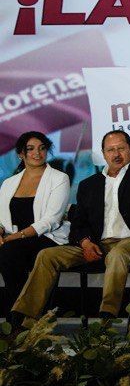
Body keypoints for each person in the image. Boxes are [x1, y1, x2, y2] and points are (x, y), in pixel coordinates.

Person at [9, 122, 130, 325]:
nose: (116, 154)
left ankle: (107, 317)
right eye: (110, 150)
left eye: (121, 148)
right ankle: (23, 316)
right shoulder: (89, 185)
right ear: (103, 154)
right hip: (97, 243)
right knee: (47, 255)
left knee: (117, 254)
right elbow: (79, 222)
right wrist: (86, 243)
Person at [0, 131, 71, 314]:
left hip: (47, 237)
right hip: (13, 239)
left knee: (9, 253)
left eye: (42, 148)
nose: (37, 153)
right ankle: (19, 318)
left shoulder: (59, 178)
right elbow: (1, 217)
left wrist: (17, 236)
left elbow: (52, 220)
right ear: (21, 154)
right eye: (30, 149)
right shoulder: (9, 182)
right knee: (8, 252)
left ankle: (20, 318)